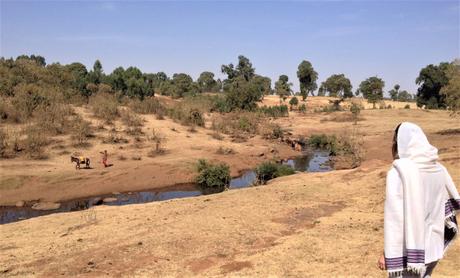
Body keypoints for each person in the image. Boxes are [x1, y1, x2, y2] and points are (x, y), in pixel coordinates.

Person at [378, 122, 459, 277]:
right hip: (433, 247)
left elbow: (397, 219)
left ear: (399, 144)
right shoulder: (438, 169)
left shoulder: (400, 171)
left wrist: (387, 254)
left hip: (410, 254)